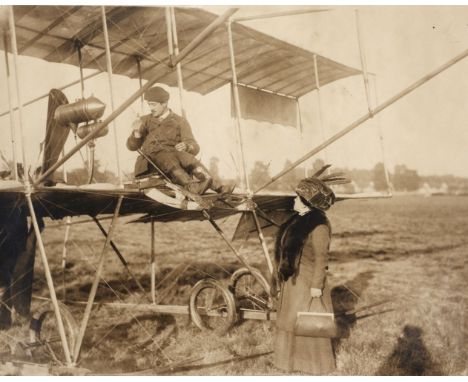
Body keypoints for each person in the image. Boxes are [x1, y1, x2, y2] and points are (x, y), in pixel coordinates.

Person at [273, 166, 349, 374]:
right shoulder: (298, 220)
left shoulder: (318, 226)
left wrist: (317, 286)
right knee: (291, 320)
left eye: (297, 198)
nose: (294, 201)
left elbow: (321, 258)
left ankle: (314, 366)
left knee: (308, 321)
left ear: (306, 202)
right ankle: (289, 363)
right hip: (294, 280)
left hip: (308, 282)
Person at [126, 86, 233, 194]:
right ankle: (191, 186)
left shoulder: (179, 121)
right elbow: (131, 146)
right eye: (149, 104)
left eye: (153, 104)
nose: (151, 108)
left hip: (173, 160)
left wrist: (187, 146)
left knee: (187, 157)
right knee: (166, 156)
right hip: (150, 163)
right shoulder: (144, 121)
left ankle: (218, 187)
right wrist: (137, 133)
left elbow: (194, 146)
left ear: (164, 103)